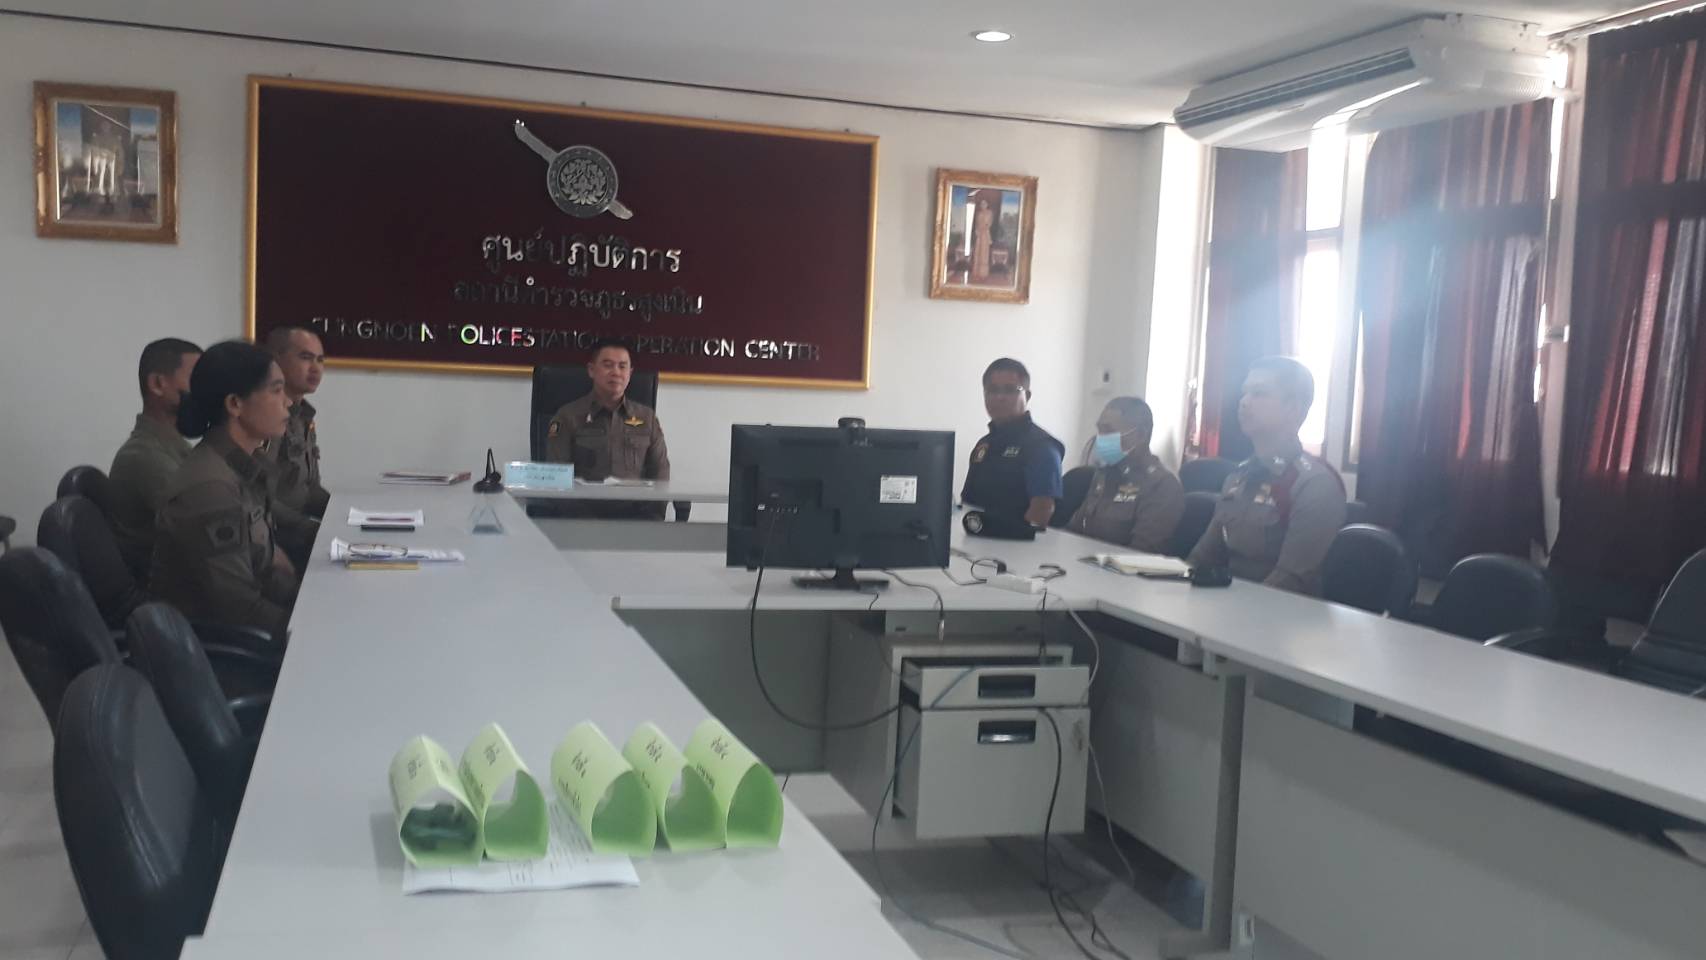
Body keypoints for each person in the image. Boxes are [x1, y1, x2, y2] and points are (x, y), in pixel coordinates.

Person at [151, 340, 298, 640]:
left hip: (254, 629)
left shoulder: (240, 467)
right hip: (225, 651)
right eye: (276, 390)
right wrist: (314, 629)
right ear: (234, 404)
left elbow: (267, 570)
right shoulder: (211, 488)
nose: (288, 402)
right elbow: (239, 609)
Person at [1188, 356, 1346, 595]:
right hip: (1227, 605)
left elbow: (1290, 581)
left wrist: (1227, 610)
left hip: (1279, 613)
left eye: (1259, 394)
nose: (1244, 402)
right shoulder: (1238, 477)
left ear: (1293, 409)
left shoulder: (1315, 485)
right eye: (1244, 393)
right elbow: (1203, 557)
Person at [543, 339, 670, 519]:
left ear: (630, 373)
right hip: (581, 521)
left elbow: (660, 474)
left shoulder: (647, 418)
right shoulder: (567, 416)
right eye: (608, 365)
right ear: (591, 370)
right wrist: (586, 524)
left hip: (637, 519)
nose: (616, 372)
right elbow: (557, 477)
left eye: (622, 366)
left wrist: (650, 519)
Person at [107, 338, 200, 582]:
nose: (205, 392)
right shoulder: (144, 457)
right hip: (170, 593)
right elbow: (210, 526)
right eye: (196, 380)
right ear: (158, 384)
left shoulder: (175, 447)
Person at [1066, 397, 1185, 554]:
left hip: (1121, 568)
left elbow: (1140, 554)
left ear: (1140, 435)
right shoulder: (1105, 474)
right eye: (1100, 430)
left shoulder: (1162, 486)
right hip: (1083, 563)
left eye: (1108, 431)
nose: (1100, 438)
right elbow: (1075, 531)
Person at [962, 358, 1064, 534]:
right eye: (992, 390)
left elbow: (1042, 510)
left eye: (1010, 390)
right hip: (977, 536)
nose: (1000, 397)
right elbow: (968, 501)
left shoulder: (1042, 447)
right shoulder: (984, 444)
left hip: (1017, 544)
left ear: (1027, 396)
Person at [265, 326, 329, 562]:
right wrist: (310, 528)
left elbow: (309, 489)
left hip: (300, 533)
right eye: (305, 357)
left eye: (320, 360)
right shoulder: (265, 419)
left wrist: (343, 512)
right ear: (276, 360)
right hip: (276, 540)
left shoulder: (303, 416)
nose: (315, 368)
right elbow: (255, 496)